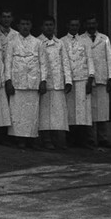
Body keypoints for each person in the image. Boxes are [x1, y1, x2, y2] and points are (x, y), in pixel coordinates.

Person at [4, 16, 44, 149]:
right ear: (18, 26)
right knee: (17, 112)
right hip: (17, 82)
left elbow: (43, 64)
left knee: (32, 112)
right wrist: (8, 81)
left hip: (33, 82)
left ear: (31, 25)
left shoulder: (38, 43)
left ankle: (31, 138)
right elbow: (8, 63)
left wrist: (43, 81)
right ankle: (19, 139)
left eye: (27, 23)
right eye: (22, 24)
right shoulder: (12, 42)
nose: (25, 26)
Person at [37, 18, 72, 152]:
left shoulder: (60, 43)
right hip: (45, 83)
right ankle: (46, 140)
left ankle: (59, 141)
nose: (49, 28)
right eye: (46, 25)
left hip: (58, 82)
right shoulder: (37, 42)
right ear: (42, 27)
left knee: (58, 113)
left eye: (51, 25)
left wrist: (68, 80)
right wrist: (42, 80)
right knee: (45, 113)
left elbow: (65, 62)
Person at [62, 18, 96, 148]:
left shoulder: (85, 40)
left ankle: (83, 140)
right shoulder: (62, 41)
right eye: (72, 25)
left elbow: (90, 59)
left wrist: (91, 77)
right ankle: (70, 140)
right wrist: (66, 79)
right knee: (70, 111)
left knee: (83, 112)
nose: (74, 27)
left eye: (76, 25)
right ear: (67, 25)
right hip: (69, 80)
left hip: (82, 79)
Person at [85, 16, 111, 149]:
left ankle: (103, 138)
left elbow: (109, 59)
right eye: (89, 23)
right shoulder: (81, 39)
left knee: (102, 110)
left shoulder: (104, 38)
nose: (91, 25)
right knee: (89, 110)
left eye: (94, 23)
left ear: (97, 24)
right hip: (88, 79)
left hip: (102, 77)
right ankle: (90, 139)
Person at [0, 9, 15, 144]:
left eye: (9, 16)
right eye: (4, 16)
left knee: (7, 107)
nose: (6, 19)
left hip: (10, 72)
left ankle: (6, 136)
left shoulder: (16, 35)